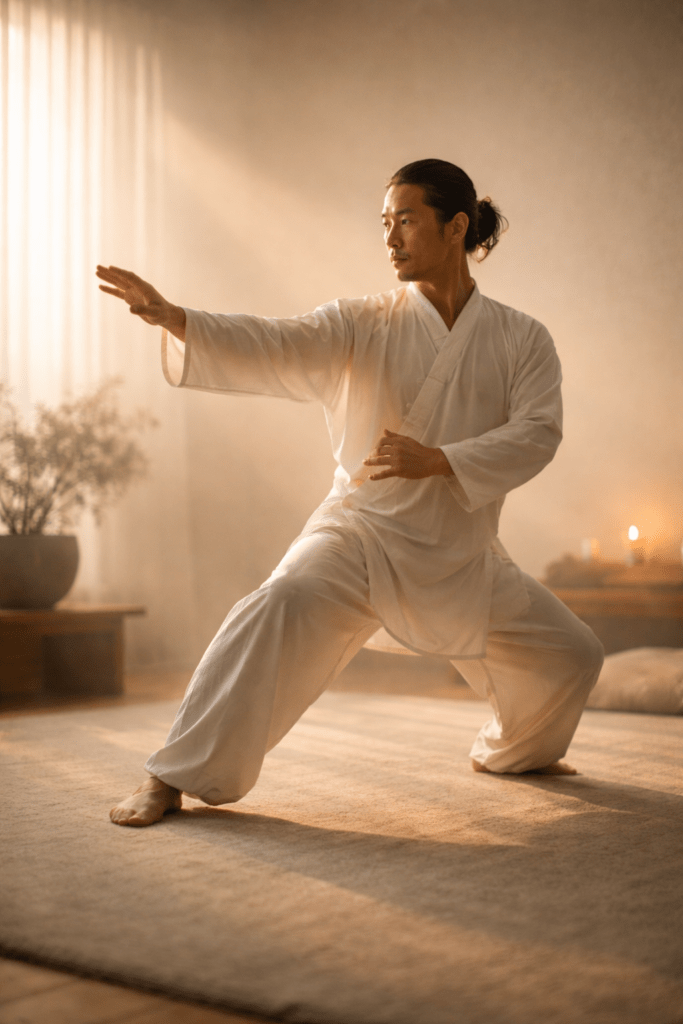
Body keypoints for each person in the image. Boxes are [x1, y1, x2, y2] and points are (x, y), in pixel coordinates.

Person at [99, 158, 604, 827]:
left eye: (406, 221)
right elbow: (277, 341)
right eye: (384, 223)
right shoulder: (362, 321)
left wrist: (439, 460)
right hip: (360, 536)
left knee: (571, 655)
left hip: (461, 551)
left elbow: (538, 432)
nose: (389, 238)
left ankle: (515, 751)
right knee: (277, 601)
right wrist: (179, 319)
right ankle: (169, 777)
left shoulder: (521, 337)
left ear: (456, 227)